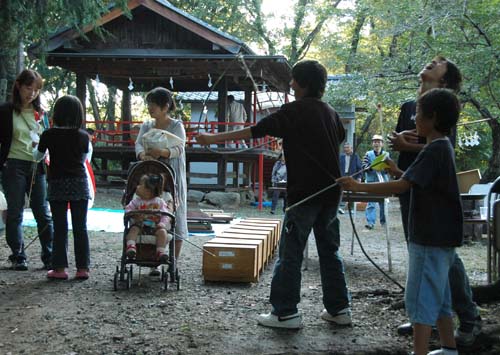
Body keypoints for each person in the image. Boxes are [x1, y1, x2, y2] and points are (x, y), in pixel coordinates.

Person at [196, 60, 351, 329]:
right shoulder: (331, 113)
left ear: (302, 84)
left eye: (293, 80)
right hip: (331, 192)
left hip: (304, 194)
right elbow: (332, 140)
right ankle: (339, 309)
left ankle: (285, 313)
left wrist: (211, 140)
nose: (290, 84)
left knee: (290, 253)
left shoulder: (293, 111)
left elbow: (253, 131)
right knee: (330, 252)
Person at [338, 88, 463, 355]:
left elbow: (402, 186)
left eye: (418, 113)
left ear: (433, 118)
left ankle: (419, 351)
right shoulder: (440, 147)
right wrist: (395, 170)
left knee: (420, 295)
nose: (414, 118)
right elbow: (414, 179)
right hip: (442, 236)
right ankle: (448, 347)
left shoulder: (434, 149)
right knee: (439, 293)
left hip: (429, 235)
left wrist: (357, 185)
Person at [389, 56, 482, 346]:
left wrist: (407, 146)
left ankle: (468, 318)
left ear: (444, 81)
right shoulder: (408, 107)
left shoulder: (445, 105)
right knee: (419, 250)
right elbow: (408, 139)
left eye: (439, 63)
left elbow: (440, 150)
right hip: (411, 187)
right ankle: (426, 317)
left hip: (428, 191)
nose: (432, 62)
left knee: (444, 258)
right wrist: (399, 143)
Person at [0, 69, 53, 271]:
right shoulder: (5, 111)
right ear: (19, 86)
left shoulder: (42, 114)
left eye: (36, 89)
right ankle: (18, 255)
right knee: (15, 212)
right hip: (13, 164)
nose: (32, 93)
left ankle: (49, 255)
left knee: (42, 211)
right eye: (28, 88)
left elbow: (47, 139)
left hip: (36, 165)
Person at [34, 95, 91, 280]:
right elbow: (84, 160)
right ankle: (83, 268)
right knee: (80, 226)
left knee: (59, 226)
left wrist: (35, 145)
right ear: (78, 115)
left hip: (57, 183)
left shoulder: (48, 134)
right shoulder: (83, 136)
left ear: (57, 113)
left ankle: (59, 269)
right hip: (79, 183)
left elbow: (37, 157)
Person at [135, 87, 187, 265]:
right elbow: (139, 145)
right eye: (149, 104)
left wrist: (162, 152)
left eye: (153, 104)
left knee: (174, 209)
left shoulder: (176, 125)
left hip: (171, 171)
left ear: (165, 107)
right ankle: (151, 258)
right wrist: (143, 155)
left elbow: (179, 148)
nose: (150, 107)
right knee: (150, 208)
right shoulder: (146, 125)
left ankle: (173, 260)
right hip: (149, 170)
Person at [124, 174, 173, 262]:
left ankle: (160, 251)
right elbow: (127, 209)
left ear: (148, 191)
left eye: (140, 185)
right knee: (133, 230)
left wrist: (162, 224)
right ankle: (131, 247)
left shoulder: (159, 202)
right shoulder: (136, 201)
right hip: (140, 226)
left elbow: (166, 214)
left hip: (155, 227)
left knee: (162, 232)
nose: (137, 187)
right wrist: (133, 215)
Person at [362, 135, 389, 229]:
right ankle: (370, 223)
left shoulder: (386, 154)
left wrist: (384, 168)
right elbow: (364, 166)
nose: (376, 143)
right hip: (371, 182)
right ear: (372, 143)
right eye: (374, 141)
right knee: (371, 203)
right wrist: (370, 167)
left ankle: (384, 222)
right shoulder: (368, 154)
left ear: (382, 143)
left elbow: (389, 168)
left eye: (378, 141)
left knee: (383, 203)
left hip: (383, 182)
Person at [339, 142, 362, 214]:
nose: (346, 149)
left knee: (352, 192)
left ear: (351, 148)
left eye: (347, 147)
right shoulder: (341, 156)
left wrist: (359, 177)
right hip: (343, 175)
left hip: (352, 176)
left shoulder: (355, 156)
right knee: (341, 191)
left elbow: (359, 167)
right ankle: (341, 207)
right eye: (345, 147)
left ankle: (351, 208)